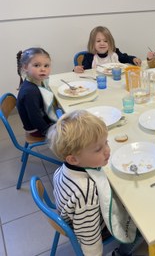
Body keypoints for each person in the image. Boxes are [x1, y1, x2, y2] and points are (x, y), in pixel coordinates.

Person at [48, 110, 143, 256]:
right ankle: (120, 253)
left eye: (106, 142)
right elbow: (90, 240)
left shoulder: (62, 170)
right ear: (73, 159)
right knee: (142, 227)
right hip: (90, 226)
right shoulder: (86, 193)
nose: (107, 150)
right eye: (98, 149)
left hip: (76, 216)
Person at [16, 48, 58, 138]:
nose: (43, 69)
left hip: (42, 121)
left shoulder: (36, 81)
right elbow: (35, 118)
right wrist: (50, 133)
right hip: (37, 129)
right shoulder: (30, 92)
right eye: (37, 65)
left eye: (46, 65)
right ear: (25, 67)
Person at [73, 26, 141, 73]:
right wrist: (76, 69)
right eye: (98, 41)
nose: (102, 43)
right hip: (98, 83)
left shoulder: (114, 52)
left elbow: (126, 58)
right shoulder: (89, 56)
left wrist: (133, 59)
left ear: (110, 42)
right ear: (92, 43)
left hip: (116, 81)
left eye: (106, 41)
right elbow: (84, 70)